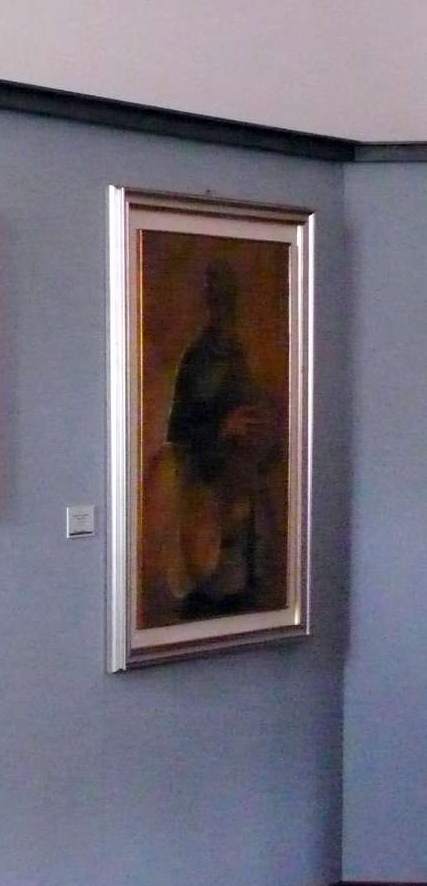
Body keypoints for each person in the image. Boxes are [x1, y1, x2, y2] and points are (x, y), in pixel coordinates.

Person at [143, 260, 278, 621]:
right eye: (218, 299)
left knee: (244, 575)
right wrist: (222, 428)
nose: (225, 309)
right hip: (207, 487)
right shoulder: (199, 357)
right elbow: (180, 432)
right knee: (211, 576)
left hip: (239, 479)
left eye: (229, 300)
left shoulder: (236, 353)